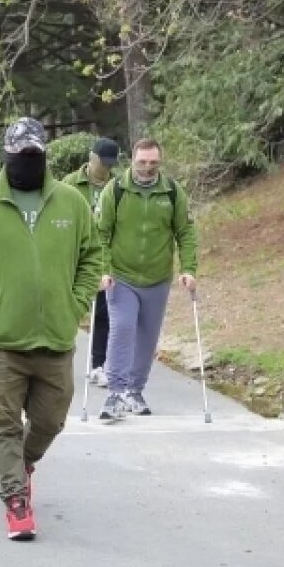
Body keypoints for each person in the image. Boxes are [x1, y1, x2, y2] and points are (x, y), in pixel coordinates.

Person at [0, 117, 103, 541]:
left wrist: (75, 304)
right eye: (20, 154)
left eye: (34, 154)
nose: (27, 160)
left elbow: (92, 256)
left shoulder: (70, 203)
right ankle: (15, 499)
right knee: (2, 424)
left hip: (56, 337)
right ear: (7, 154)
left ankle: (22, 465)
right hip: (3, 341)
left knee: (51, 420)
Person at [96, 139, 197, 421]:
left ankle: (134, 390)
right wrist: (103, 270)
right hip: (121, 276)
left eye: (153, 162)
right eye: (142, 162)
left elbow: (185, 233)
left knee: (148, 337)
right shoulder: (115, 191)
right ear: (132, 160)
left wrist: (188, 268)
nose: (148, 167)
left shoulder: (172, 192)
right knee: (123, 328)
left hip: (157, 277)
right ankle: (115, 392)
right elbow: (100, 233)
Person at [63, 137, 120, 388]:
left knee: (104, 312)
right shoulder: (70, 185)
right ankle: (57, 357)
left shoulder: (119, 186)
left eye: (110, 164)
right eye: (102, 163)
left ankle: (99, 364)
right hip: (72, 256)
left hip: (103, 257)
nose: (105, 169)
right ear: (91, 157)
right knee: (66, 310)